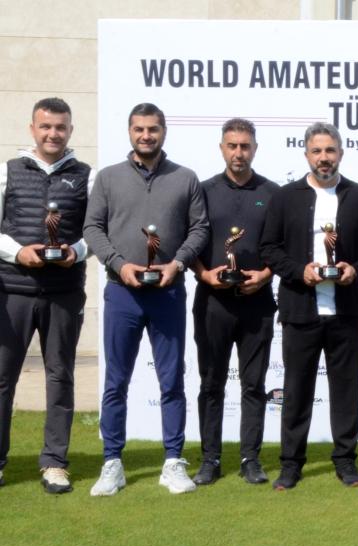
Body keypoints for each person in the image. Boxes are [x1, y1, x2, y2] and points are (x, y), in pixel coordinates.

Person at [84, 102, 209, 496]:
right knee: (116, 380)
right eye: (139, 129)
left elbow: (200, 228)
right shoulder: (108, 178)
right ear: (129, 131)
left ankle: (173, 461)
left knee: (171, 380)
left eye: (152, 129)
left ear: (163, 131)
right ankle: (112, 462)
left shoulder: (185, 178)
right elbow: (92, 228)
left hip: (167, 293)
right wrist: (119, 264)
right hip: (122, 292)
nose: (146, 135)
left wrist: (178, 263)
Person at [260, 122, 358, 490]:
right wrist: (300, 271)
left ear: (340, 153)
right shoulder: (285, 197)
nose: (323, 157)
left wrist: (354, 269)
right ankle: (291, 464)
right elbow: (269, 249)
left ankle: (345, 461)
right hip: (300, 310)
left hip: (347, 311)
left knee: (346, 390)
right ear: (306, 155)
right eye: (317, 151)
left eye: (330, 150)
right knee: (296, 391)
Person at [0, 98, 90, 493]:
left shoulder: (87, 176)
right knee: (2, 380)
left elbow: (97, 230)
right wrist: (17, 252)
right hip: (12, 292)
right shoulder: (8, 171)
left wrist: (78, 252)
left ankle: (54, 463)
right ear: (32, 129)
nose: (53, 133)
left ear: (70, 130)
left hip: (63, 293)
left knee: (60, 377)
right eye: (46, 126)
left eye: (60, 127)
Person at [190, 118, 279, 486]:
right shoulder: (203, 191)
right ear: (222, 148)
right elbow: (189, 242)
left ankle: (250, 459)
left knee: (253, 384)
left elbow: (283, 246)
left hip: (257, 303)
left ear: (254, 149)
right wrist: (202, 274)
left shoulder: (273, 193)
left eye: (245, 146)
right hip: (213, 301)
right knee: (211, 383)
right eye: (232, 145)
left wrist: (267, 274)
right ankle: (210, 459)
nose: (238, 152)